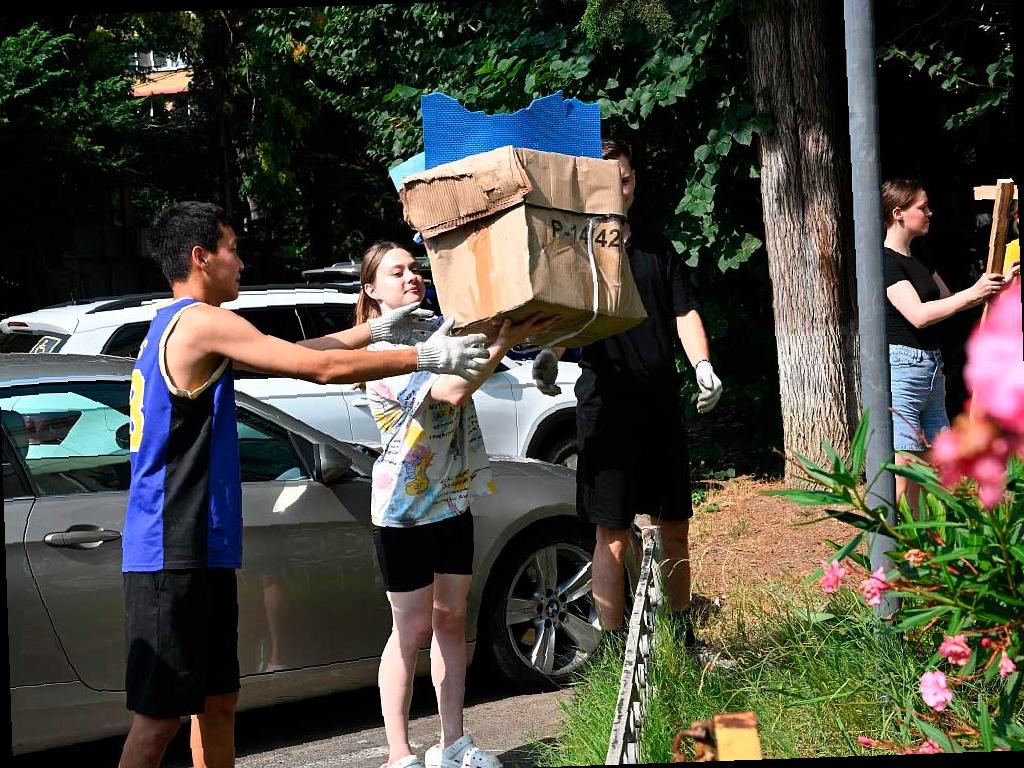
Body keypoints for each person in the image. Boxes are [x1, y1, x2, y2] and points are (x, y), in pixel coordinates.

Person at [118, 202, 491, 768]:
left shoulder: (182, 324)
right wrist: (424, 354)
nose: (241, 262)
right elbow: (319, 370)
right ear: (201, 257)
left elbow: (294, 355)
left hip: (201, 546)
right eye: (232, 249)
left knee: (217, 703)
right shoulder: (199, 321)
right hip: (171, 548)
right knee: (158, 721)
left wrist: (374, 331)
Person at [354, 241, 556, 768]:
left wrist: (518, 332)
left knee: (451, 621)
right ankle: (399, 754)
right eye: (396, 272)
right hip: (403, 512)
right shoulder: (382, 350)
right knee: (410, 631)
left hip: (451, 502)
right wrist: (502, 344)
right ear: (371, 290)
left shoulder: (435, 331)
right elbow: (450, 392)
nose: (411, 277)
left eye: (415, 268)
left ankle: (453, 743)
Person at [532, 138, 725, 662]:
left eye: (627, 178)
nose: (621, 188)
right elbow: (563, 317)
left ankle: (682, 639)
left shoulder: (658, 249)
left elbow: (684, 312)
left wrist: (702, 365)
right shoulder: (573, 251)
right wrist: (550, 353)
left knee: (675, 528)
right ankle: (614, 653)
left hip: (659, 405)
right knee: (612, 535)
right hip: (605, 409)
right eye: (610, 180)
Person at [881, 179, 1009, 512]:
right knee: (904, 470)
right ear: (898, 213)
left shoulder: (919, 259)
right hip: (903, 371)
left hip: (930, 370)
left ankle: (922, 540)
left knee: (934, 467)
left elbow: (950, 301)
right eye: (922, 207)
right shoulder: (885, 263)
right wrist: (974, 293)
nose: (929, 213)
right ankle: (887, 542)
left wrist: (994, 286)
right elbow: (919, 315)